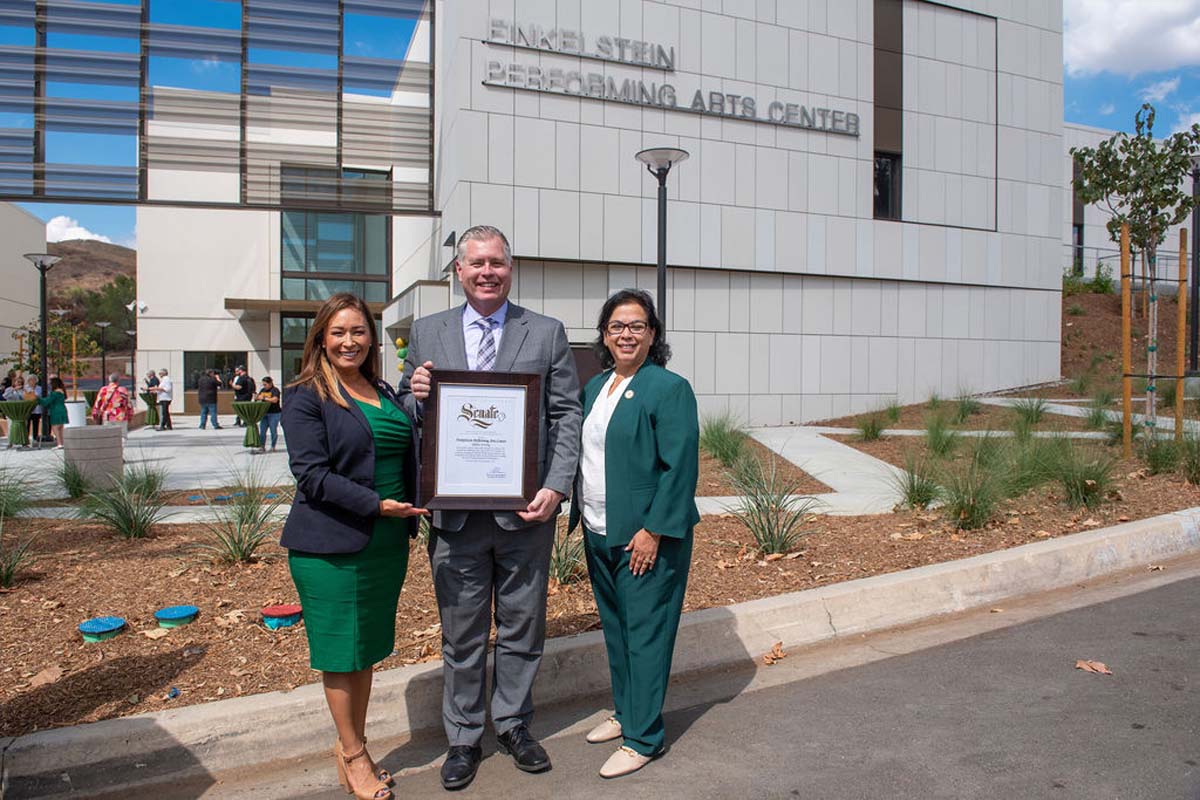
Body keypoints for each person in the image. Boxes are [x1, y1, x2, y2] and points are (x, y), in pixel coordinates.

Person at [402, 224, 582, 790]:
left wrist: (556, 486)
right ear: (457, 271)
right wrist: (416, 395)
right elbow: (405, 409)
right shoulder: (426, 332)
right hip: (454, 518)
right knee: (462, 634)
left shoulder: (546, 332)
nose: (487, 272)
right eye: (476, 263)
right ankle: (463, 737)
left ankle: (513, 724)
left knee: (524, 624)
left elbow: (565, 415)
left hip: (525, 512)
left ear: (511, 268)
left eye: (497, 263)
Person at [281, 292, 426, 800]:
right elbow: (311, 476)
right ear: (321, 337)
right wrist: (379, 505)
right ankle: (353, 753)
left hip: (385, 543)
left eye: (359, 331)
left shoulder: (382, 389)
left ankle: (351, 744)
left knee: (363, 651)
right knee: (341, 654)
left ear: (371, 337)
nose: (350, 341)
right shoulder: (305, 395)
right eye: (338, 332)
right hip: (332, 546)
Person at [568, 288, 699, 779]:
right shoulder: (595, 387)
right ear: (604, 334)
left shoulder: (668, 388)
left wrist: (653, 532)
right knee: (618, 631)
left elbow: (679, 468)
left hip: (646, 536)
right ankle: (626, 712)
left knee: (645, 634)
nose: (626, 334)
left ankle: (644, 737)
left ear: (653, 335)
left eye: (637, 326)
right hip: (600, 529)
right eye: (617, 326)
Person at [92, 373, 133, 437]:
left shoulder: (104, 389)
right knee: (122, 436)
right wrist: (130, 416)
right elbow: (129, 404)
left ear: (109, 380)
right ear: (118, 380)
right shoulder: (123, 390)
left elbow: (97, 403)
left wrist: (95, 415)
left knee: (108, 436)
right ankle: (121, 446)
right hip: (121, 416)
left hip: (107, 416)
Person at [39, 376, 69, 448]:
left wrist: (37, 399)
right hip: (63, 409)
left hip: (56, 410)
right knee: (61, 428)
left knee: (55, 427)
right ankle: (62, 443)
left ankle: (59, 443)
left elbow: (46, 402)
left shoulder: (54, 393)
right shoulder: (62, 392)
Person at [255, 376, 281, 452]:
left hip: (274, 413)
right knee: (262, 431)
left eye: (265, 384)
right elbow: (258, 397)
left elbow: (275, 400)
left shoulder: (275, 390)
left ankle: (273, 446)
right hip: (264, 413)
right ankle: (262, 446)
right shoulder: (262, 390)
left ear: (270, 383)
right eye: (263, 384)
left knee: (273, 431)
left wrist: (264, 398)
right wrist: (257, 397)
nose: (264, 386)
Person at [23, 376, 43, 444]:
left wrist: (36, 396)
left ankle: (35, 438)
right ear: (28, 381)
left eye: (34, 380)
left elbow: (41, 396)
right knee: (27, 424)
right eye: (30, 380)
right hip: (28, 409)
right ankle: (26, 439)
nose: (32, 382)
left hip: (37, 409)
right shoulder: (25, 388)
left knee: (36, 424)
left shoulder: (39, 388)